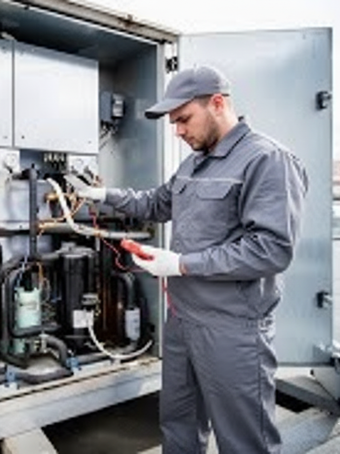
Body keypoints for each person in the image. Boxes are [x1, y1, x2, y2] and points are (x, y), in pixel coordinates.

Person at [75, 65, 308, 454]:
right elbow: (156, 202)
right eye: (173, 123)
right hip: (182, 320)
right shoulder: (194, 162)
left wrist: (182, 264)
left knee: (244, 441)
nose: (178, 131)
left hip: (232, 328)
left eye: (184, 119)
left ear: (217, 103)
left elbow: (271, 249)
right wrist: (104, 195)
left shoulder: (267, 160)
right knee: (178, 428)